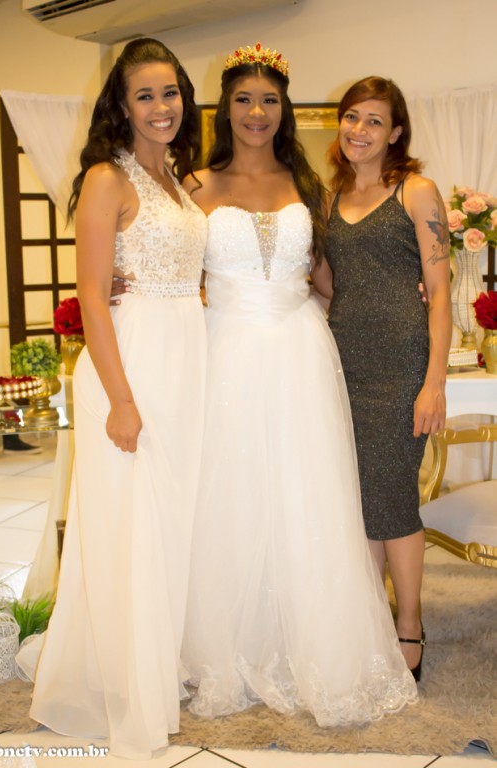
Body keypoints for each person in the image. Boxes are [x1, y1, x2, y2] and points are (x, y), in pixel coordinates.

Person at [180, 45, 418, 726]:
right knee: (231, 492)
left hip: (300, 349)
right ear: (225, 109)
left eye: (269, 100)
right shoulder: (194, 185)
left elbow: (330, 276)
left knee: (307, 493)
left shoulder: (308, 183)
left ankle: (315, 640)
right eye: (244, 99)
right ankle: (229, 644)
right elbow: (167, 261)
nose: (257, 112)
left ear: (283, 109)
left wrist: (402, 299)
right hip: (226, 348)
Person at [17, 38, 207, 759]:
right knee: (131, 521)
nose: (162, 107)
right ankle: (122, 687)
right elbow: (93, 297)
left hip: (184, 358)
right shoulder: (107, 177)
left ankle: (152, 665)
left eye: (170, 92)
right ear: (121, 107)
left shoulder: (176, 178)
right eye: (145, 95)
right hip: (131, 363)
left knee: (168, 521)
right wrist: (122, 402)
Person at [319, 76, 452, 680]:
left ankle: (410, 623)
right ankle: (372, 621)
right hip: (342, 361)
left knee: (392, 496)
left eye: (374, 120)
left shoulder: (416, 191)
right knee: (360, 498)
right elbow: (328, 283)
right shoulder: (330, 198)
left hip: (402, 364)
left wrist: (434, 382)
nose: (360, 129)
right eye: (352, 117)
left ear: (396, 132)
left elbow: (441, 292)